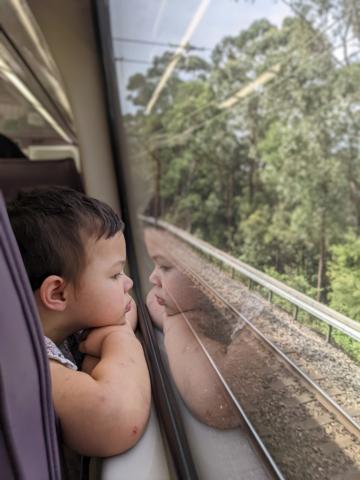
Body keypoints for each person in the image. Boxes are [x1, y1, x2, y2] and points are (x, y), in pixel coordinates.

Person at [7, 186, 151, 457]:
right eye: (115, 275)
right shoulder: (24, 362)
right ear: (58, 293)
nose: (129, 283)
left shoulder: (61, 322)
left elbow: (125, 307)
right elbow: (116, 419)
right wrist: (118, 337)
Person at [145, 228, 241, 429]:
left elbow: (217, 403)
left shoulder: (255, 327)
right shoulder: (202, 305)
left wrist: (174, 322)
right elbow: (153, 298)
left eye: (164, 266)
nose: (152, 278)